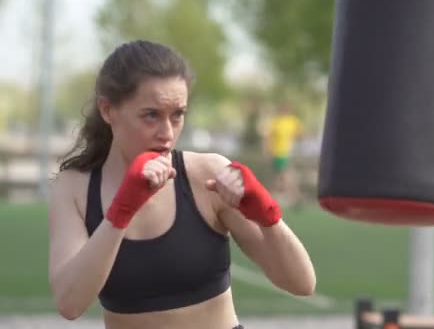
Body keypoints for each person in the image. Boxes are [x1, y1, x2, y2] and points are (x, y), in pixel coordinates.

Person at [47, 40, 316, 329]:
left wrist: (267, 215)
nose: (167, 132)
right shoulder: (75, 188)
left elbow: (301, 283)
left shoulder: (207, 176)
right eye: (151, 115)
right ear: (108, 110)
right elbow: (70, 303)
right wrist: (122, 210)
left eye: (178, 115)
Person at [265, 104, 303, 206]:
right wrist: (269, 149)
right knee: (284, 176)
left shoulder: (292, 121)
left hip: (288, 153)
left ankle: (271, 198)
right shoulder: (276, 122)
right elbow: (269, 137)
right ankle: (295, 196)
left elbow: (299, 134)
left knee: (281, 176)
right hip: (278, 153)